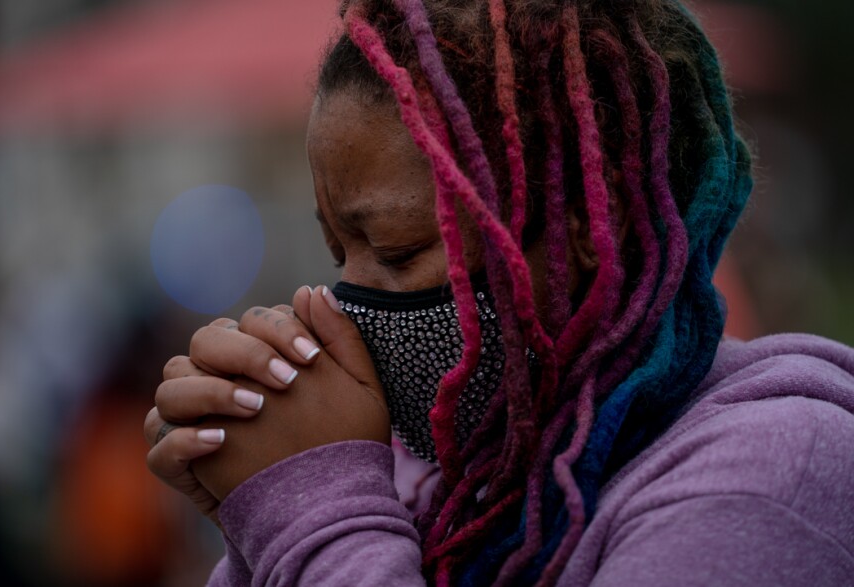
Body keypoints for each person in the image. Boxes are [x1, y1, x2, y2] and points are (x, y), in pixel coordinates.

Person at [144, 0, 854, 585]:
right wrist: (256, 520)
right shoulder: (456, 491)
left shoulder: (769, 476)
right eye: (338, 253)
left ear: (589, 223)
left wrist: (315, 509)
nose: (342, 307)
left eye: (398, 250)